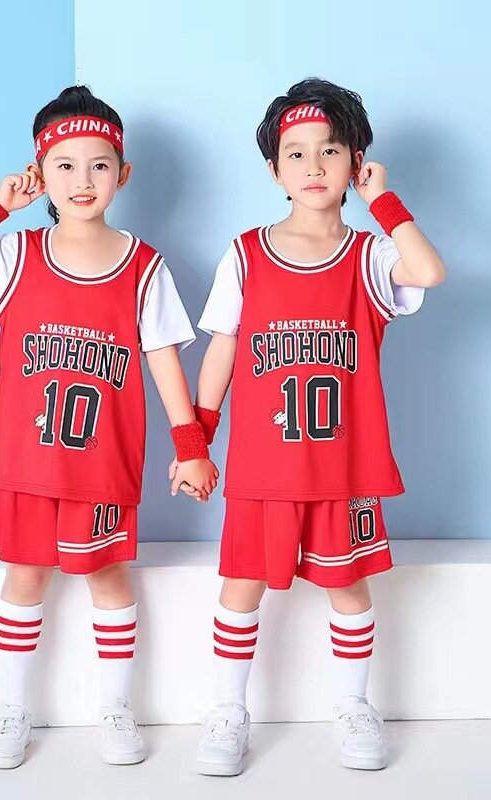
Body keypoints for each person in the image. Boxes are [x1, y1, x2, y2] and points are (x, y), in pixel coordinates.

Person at [0, 85, 218, 769]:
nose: (83, 179)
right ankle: (11, 710)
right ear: (40, 173)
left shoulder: (143, 267)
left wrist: (191, 447)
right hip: (28, 465)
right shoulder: (17, 254)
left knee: (108, 579)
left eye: (99, 165)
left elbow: (164, 360)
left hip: (102, 465)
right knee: (23, 579)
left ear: (123, 173)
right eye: (65, 165)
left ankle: (116, 706)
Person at [191, 78, 447, 775]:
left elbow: (429, 270)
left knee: (349, 589)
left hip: (343, 467)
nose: (313, 166)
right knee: (240, 588)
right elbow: (223, 349)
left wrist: (382, 200)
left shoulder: (370, 256)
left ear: (356, 160)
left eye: (330, 150)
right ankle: (228, 710)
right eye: (295, 153)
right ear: (274, 170)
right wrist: (195, 442)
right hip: (263, 467)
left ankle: (354, 705)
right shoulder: (246, 253)